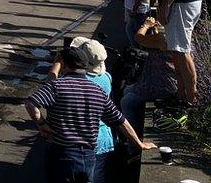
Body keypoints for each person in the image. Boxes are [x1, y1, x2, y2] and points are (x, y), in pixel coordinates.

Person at [26, 44, 154, 183]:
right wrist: (139, 144)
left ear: (65, 65)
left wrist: (41, 123)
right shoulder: (97, 91)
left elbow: (31, 103)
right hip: (87, 156)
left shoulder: (57, 86)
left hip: (61, 152)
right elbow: (120, 121)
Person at [47, 38, 116, 183]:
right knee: (97, 176)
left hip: (79, 142)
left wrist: (57, 63)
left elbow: (50, 86)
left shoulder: (74, 82)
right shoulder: (106, 78)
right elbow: (117, 117)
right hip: (102, 137)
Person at [122, 17, 178, 135]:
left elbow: (139, 38)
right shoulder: (177, 36)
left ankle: (131, 137)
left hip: (159, 86)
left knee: (126, 101)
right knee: (128, 90)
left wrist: (146, 25)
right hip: (173, 83)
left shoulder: (162, 39)